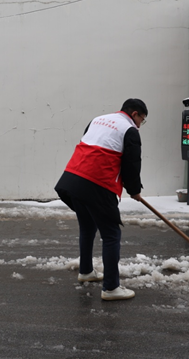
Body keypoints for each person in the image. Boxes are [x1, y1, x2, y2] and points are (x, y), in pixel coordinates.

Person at [55, 98, 148, 301]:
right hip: (97, 183)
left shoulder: (98, 119)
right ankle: (111, 287)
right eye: (142, 119)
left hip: (72, 178)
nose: (141, 124)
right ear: (135, 115)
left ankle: (86, 271)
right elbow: (132, 163)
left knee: (88, 226)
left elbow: (91, 145)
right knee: (111, 234)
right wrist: (134, 190)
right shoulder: (130, 130)